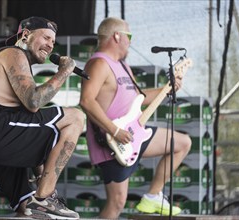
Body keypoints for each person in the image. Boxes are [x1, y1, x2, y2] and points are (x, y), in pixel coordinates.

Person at [0, 16, 84, 219]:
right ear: (26, 35)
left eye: (53, 42)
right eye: (46, 37)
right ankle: (46, 197)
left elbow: (30, 127)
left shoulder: (14, 64)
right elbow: (34, 101)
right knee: (75, 117)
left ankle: (39, 201)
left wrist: (40, 175)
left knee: (27, 210)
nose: (50, 45)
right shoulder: (13, 53)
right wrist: (65, 72)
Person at [79, 17, 191, 218]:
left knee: (182, 143)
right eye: (129, 36)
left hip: (133, 134)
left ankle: (153, 195)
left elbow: (138, 98)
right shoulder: (98, 63)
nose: (131, 41)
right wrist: (114, 130)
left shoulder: (123, 66)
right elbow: (86, 101)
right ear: (116, 36)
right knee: (117, 203)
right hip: (111, 141)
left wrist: (168, 88)